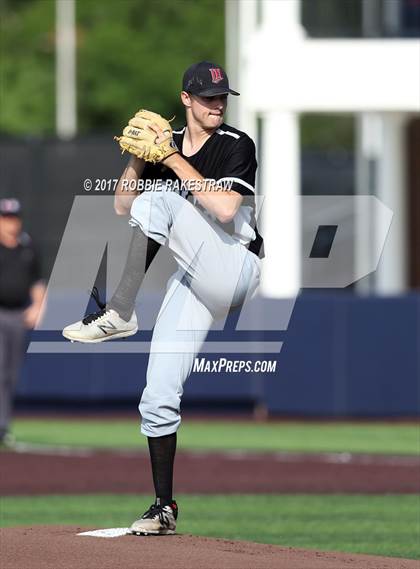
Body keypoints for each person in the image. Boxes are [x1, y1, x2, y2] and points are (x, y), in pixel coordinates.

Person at [63, 61, 264, 535]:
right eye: (208, 96)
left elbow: (225, 207)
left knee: (161, 200)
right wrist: (138, 158)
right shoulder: (163, 146)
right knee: (157, 395)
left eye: (222, 97)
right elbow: (120, 204)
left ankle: (121, 311)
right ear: (186, 100)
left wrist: (170, 159)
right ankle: (163, 507)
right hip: (194, 277)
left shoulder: (237, 145)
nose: (217, 104)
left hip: (235, 264)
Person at [0, 198, 46, 446]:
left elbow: (37, 282)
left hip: (18, 315)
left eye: (14, 218)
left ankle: (3, 426)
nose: (10, 223)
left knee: (10, 374)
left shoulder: (27, 247)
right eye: (5, 218)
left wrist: (38, 307)